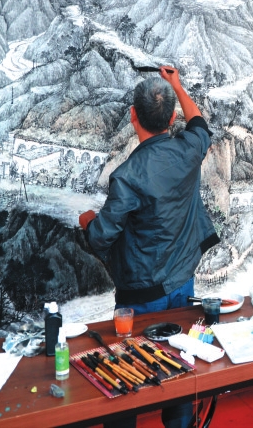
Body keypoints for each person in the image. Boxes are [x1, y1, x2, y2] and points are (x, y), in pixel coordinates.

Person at [79, 66, 219, 428]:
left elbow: (101, 237)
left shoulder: (128, 176)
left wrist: (88, 220)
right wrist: (177, 85)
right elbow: (199, 123)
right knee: (179, 364)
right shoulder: (190, 149)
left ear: (133, 116)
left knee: (129, 374)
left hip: (142, 293)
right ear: (171, 118)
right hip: (183, 283)